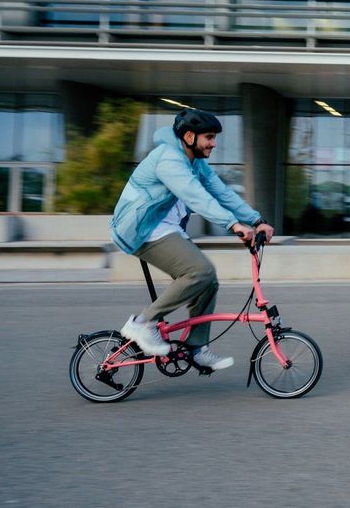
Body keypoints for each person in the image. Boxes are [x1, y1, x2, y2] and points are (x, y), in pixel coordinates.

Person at [113, 108, 274, 370]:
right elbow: (195, 196)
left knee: (208, 281)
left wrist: (256, 220)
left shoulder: (194, 161)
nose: (214, 143)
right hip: (142, 229)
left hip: (166, 226)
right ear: (189, 136)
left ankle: (196, 348)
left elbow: (221, 192)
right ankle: (142, 323)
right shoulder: (169, 160)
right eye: (209, 137)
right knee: (200, 271)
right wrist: (233, 224)